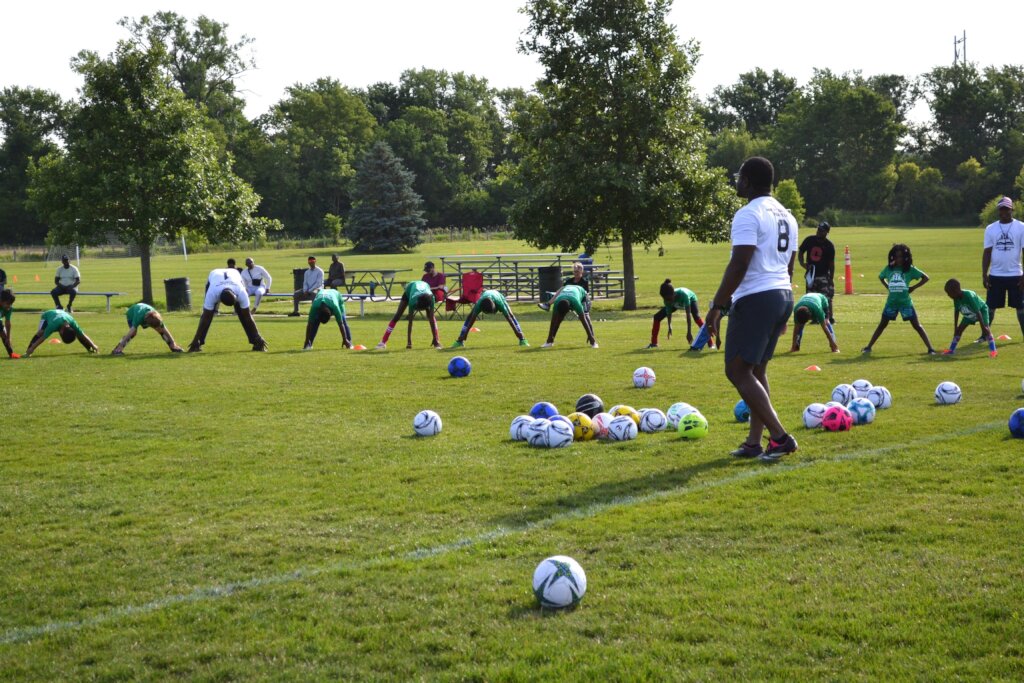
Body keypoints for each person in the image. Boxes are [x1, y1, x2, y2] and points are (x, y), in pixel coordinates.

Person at [705, 156, 797, 462]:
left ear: (747, 181)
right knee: (757, 370)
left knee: (736, 370)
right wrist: (782, 310)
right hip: (781, 294)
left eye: (738, 177)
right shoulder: (787, 215)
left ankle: (781, 437)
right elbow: (790, 267)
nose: (736, 182)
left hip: (757, 297)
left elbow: (739, 263)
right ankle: (754, 443)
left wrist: (718, 305)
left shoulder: (748, 214)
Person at [862, 244, 935, 355]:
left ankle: (930, 348)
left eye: (901, 257)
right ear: (892, 257)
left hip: (905, 303)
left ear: (906, 257)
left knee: (917, 326)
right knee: (882, 324)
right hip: (891, 303)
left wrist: (914, 288)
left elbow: (926, 278)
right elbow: (881, 277)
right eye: (896, 257)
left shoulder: (909, 270)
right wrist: (887, 286)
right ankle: (868, 347)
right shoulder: (889, 269)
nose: (898, 259)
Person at [187, 268, 268, 352]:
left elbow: (248, 316)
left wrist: (258, 336)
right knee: (208, 314)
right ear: (219, 299)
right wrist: (196, 338)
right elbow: (205, 317)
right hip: (214, 276)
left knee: (243, 314)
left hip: (235, 275)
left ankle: (257, 342)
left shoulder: (241, 292)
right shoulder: (212, 293)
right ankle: (197, 343)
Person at [981, 196, 1024, 338]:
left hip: (1016, 274)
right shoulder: (991, 228)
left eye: (1006, 208)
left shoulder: (1021, 227)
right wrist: (984, 274)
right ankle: (984, 335)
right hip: (996, 275)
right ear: (998, 210)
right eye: (1001, 209)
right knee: (990, 309)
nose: (1004, 211)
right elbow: (987, 252)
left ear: (1012, 209)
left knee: (1021, 308)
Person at [647, 279, 716, 349]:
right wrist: (669, 326)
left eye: (669, 299)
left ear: (673, 294)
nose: (668, 301)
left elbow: (688, 315)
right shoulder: (667, 299)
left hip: (691, 300)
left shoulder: (684, 295)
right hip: (676, 303)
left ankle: (711, 343)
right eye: (666, 300)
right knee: (657, 317)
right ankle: (654, 343)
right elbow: (668, 313)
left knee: (696, 317)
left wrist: (689, 332)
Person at [375, 280, 441, 350]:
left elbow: (431, 320)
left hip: (425, 286)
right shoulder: (412, 301)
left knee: (431, 317)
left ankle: (436, 341)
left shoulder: (432, 299)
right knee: (397, 316)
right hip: (410, 288)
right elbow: (410, 322)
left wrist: (435, 339)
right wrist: (409, 342)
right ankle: (383, 342)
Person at [451, 289, 529, 347]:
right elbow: (472, 319)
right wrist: (465, 334)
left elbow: (508, 318)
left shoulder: (499, 303)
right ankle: (460, 341)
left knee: (511, 315)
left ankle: (522, 339)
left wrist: (517, 332)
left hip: (498, 296)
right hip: (485, 296)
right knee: (470, 316)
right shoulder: (479, 304)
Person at [942, 278, 997, 358]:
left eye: (949, 293)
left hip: (981, 311)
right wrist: (955, 328)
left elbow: (978, 311)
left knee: (986, 329)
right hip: (969, 313)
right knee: (959, 330)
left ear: (956, 290)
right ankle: (951, 350)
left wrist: (982, 326)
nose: (948, 295)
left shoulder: (968, 295)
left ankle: (993, 351)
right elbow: (956, 311)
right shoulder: (955, 298)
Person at [798, 220, 836, 323]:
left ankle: (829, 318)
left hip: (823, 275)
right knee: (810, 296)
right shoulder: (809, 240)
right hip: (811, 274)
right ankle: (813, 318)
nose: (819, 231)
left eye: (822, 230)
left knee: (825, 297)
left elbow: (832, 264)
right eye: (818, 229)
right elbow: (801, 251)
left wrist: (831, 278)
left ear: (826, 232)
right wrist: (802, 263)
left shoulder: (829, 246)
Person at [111, 303, 183, 355]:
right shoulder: (138, 317)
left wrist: (174, 343)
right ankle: (118, 349)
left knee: (161, 330)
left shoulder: (157, 317)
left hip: (146, 313)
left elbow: (165, 330)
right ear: (147, 323)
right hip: (131, 314)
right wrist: (120, 346)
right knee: (133, 333)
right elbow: (129, 333)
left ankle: (173, 347)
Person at [541, 284, 597, 348]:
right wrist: (549, 337)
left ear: (570, 308)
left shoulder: (576, 303)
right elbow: (553, 322)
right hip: (568, 289)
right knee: (557, 320)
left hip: (582, 293)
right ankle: (549, 341)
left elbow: (583, 320)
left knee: (586, 317)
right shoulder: (557, 302)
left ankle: (593, 341)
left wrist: (590, 337)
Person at [24, 308, 98, 356]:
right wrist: (32, 348)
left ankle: (90, 349)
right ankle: (28, 352)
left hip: (61, 313)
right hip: (47, 315)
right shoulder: (52, 325)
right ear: (61, 332)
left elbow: (83, 334)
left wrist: (93, 345)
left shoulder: (72, 322)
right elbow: (43, 338)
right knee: (40, 333)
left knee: (78, 333)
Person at [0, 290, 19, 358]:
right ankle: (11, 354)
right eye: (8, 303)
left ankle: (11, 354)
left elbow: (7, 323)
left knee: (5, 336)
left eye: (11, 303)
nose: (9, 306)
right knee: (2, 333)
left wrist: (8, 337)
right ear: (1, 301)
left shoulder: (9, 308)